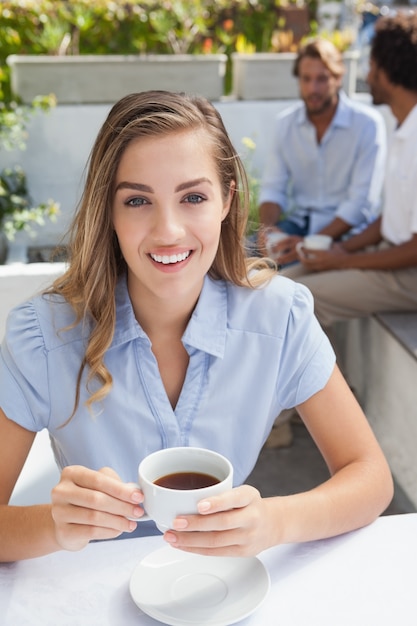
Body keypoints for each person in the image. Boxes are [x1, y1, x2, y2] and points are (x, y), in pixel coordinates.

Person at [0, 90, 393, 563]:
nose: (168, 231)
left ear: (227, 200)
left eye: (193, 197)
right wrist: (53, 524)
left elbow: (370, 478)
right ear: (109, 211)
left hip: (223, 592)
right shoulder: (44, 335)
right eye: (137, 200)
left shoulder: (279, 318)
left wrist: (275, 521)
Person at [282, 13, 417, 335]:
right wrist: (341, 249)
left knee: (291, 301)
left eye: (372, 67)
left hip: (409, 273)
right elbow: (393, 218)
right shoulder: (404, 130)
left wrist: (341, 261)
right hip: (390, 252)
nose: (368, 76)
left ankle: (321, 387)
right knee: (277, 287)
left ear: (387, 71)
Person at [257, 38, 386, 267]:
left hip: (348, 233)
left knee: (289, 273)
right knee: (239, 259)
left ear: (338, 79)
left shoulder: (367, 124)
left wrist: (306, 244)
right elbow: (273, 188)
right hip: (298, 225)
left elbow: (361, 204)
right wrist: (267, 232)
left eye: (322, 79)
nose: (312, 89)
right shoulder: (285, 124)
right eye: (306, 79)